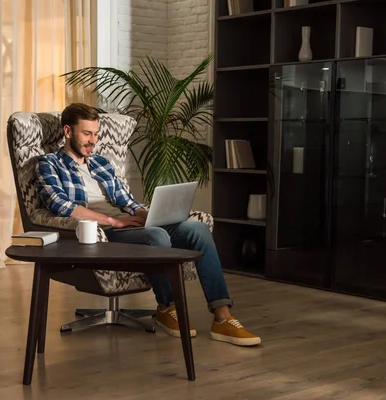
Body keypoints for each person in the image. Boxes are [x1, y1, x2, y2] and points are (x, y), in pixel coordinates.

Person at [35, 103, 261, 347]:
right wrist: (113, 221)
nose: (93, 140)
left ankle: (223, 317)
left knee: (197, 229)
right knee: (157, 237)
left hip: (128, 225)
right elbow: (60, 205)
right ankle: (167, 308)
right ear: (68, 132)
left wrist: (148, 213)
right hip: (104, 233)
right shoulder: (49, 164)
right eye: (87, 134)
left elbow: (127, 200)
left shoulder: (102, 164)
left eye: (97, 134)